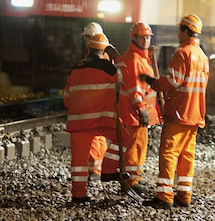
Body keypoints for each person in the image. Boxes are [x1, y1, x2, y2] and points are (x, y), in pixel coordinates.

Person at [140, 14, 210, 209]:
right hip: (195, 114)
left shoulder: (183, 54)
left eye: (180, 29)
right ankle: (184, 194)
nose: (178, 33)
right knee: (187, 155)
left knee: (169, 153)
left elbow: (174, 81)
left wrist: (154, 82)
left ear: (187, 31)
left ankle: (164, 195)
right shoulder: (202, 57)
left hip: (180, 112)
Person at [63, 33, 123, 203]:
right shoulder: (105, 67)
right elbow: (124, 75)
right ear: (104, 49)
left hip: (77, 123)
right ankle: (109, 169)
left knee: (79, 162)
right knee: (124, 139)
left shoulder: (75, 67)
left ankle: (78, 195)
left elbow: (66, 98)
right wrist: (116, 56)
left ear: (88, 48)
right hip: (98, 121)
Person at [108, 22, 162, 193]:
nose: (146, 40)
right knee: (134, 147)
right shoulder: (135, 60)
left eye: (148, 37)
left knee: (139, 145)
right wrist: (141, 110)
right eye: (143, 37)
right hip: (135, 112)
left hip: (137, 112)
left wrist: (148, 54)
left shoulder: (139, 56)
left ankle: (135, 177)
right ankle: (131, 182)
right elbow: (134, 89)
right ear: (135, 38)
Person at [80, 22, 108, 181]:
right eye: (86, 38)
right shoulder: (94, 57)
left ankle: (95, 170)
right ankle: (94, 168)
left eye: (89, 38)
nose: (87, 41)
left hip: (97, 105)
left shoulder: (101, 59)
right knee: (95, 137)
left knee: (96, 136)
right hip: (93, 104)